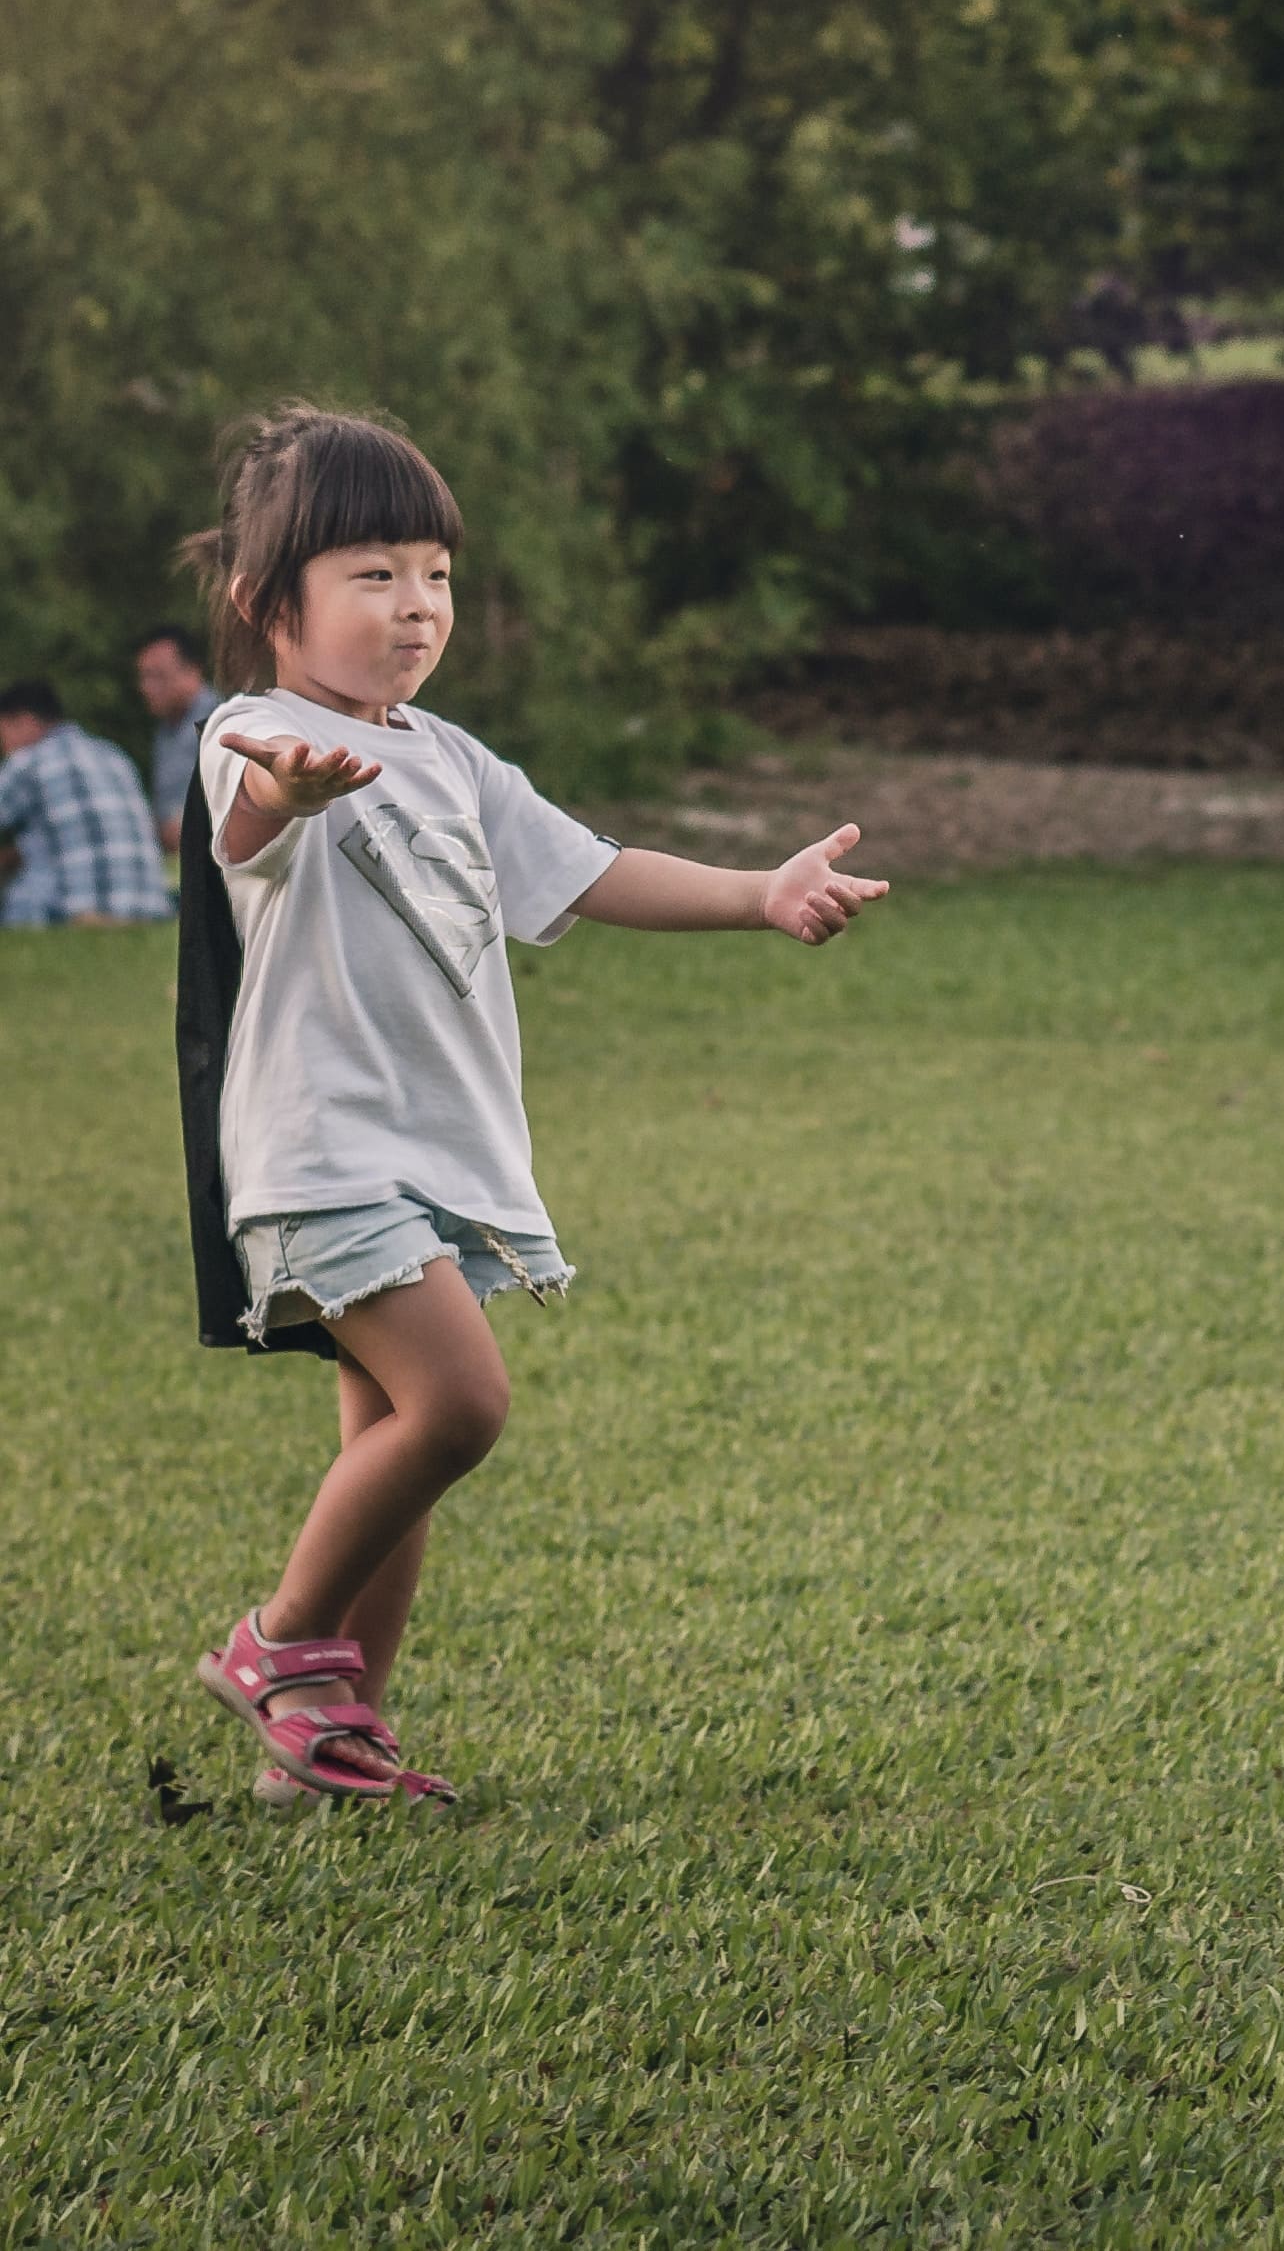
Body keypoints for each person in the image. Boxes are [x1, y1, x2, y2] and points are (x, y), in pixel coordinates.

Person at [178, 405, 887, 1810]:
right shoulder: (257, 731)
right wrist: (288, 784)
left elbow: (588, 869)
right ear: (272, 603)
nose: (415, 605)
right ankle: (275, 1646)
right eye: (372, 574)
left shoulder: (449, 756)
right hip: (322, 1151)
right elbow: (246, 816)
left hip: (437, 1154)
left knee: (395, 1437)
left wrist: (759, 893)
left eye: (434, 572)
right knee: (459, 1405)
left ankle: (330, 1744)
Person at [0, 680, 174, 928]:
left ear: (25, 722)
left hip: (73, 914)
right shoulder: (114, 756)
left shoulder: (28, 762)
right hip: (148, 910)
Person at [137, 622, 222, 851]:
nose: (146, 687)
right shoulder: (165, 731)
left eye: (157, 676)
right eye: (143, 677)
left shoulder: (221, 721)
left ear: (193, 671)